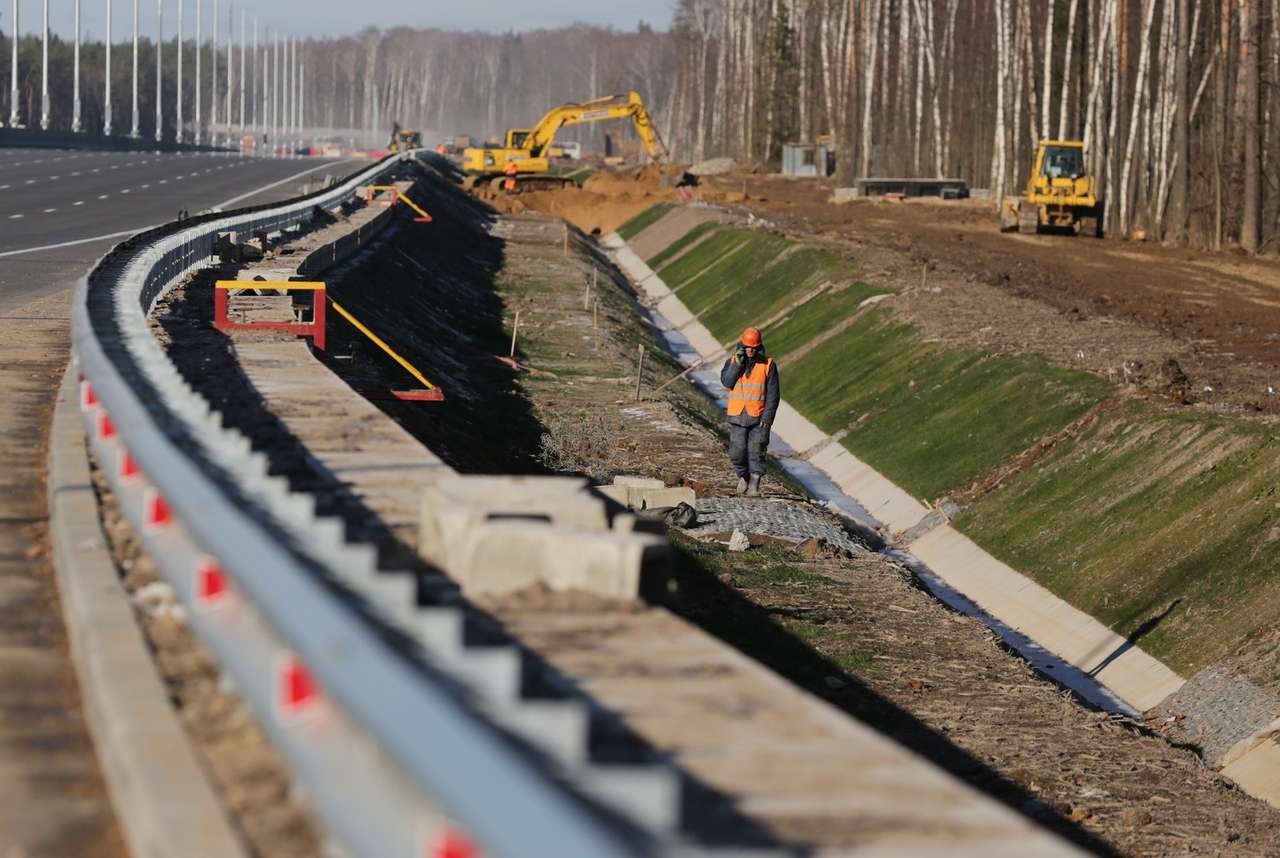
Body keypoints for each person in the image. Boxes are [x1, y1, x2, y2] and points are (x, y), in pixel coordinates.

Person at [721, 326, 780, 497]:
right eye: (747, 347)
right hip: (738, 415)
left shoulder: (768, 365)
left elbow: (773, 395)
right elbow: (726, 382)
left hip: (759, 417)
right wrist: (736, 365)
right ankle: (743, 477)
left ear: (759, 347)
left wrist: (768, 418)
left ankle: (754, 484)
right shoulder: (733, 362)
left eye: (754, 348)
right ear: (741, 346)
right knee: (736, 452)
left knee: (757, 450)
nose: (750, 351)